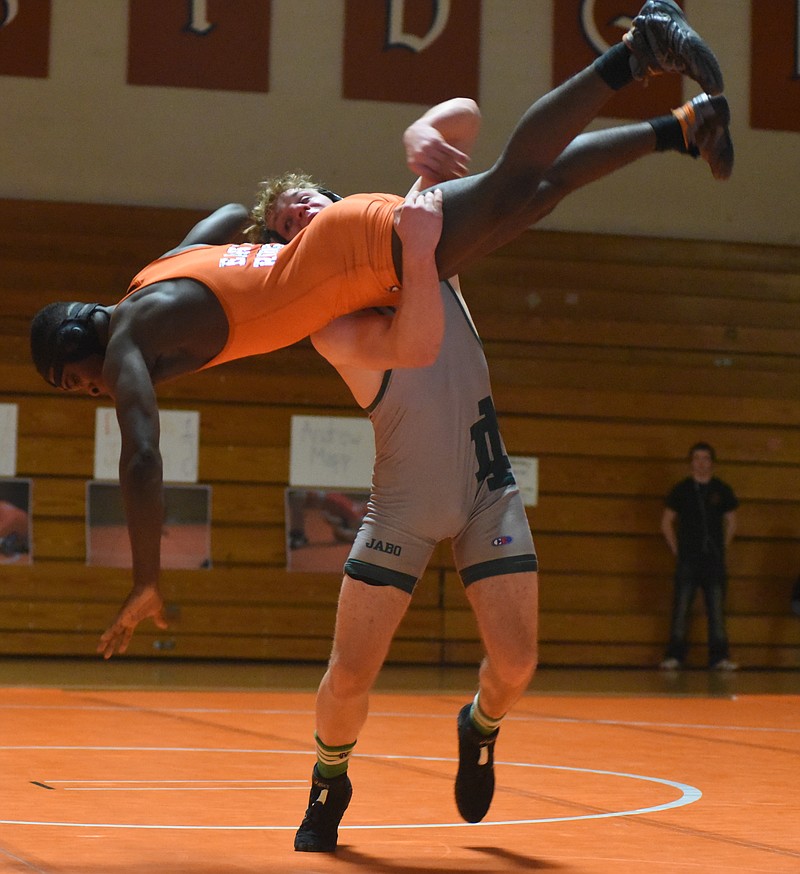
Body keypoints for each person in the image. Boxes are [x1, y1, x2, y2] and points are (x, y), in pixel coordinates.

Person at [29, 0, 730, 661]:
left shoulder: (125, 344)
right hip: (345, 246)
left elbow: (143, 457)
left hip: (355, 258)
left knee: (518, 181)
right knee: (529, 196)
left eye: (74, 381)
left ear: (79, 348)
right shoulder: (157, 275)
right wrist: (265, 263)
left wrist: (146, 577)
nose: (93, 391)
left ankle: (638, 49)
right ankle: (682, 125)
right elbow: (223, 215)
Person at [660, 442, 739, 671]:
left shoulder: (722, 489)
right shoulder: (681, 489)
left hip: (713, 560)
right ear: (691, 462)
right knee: (682, 607)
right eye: (696, 458)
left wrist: (721, 548)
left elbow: (732, 522)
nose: (701, 462)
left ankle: (719, 657)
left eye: (705, 458)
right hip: (688, 560)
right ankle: (675, 656)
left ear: (711, 462)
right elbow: (666, 523)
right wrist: (678, 549)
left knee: (716, 609)